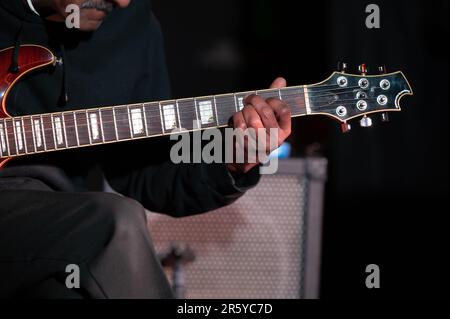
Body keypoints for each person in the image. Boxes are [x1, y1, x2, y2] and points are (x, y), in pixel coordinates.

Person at [0, 0, 291, 298]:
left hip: (53, 228)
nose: (123, 1)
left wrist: (232, 157)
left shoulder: (131, 27)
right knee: (114, 223)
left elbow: (148, 172)